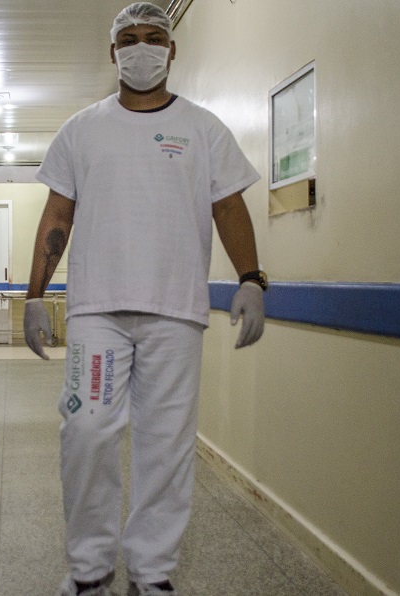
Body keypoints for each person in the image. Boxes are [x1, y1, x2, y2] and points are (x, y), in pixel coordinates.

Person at [23, 4, 267, 596]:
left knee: (166, 446)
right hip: (96, 311)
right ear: (113, 52)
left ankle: (152, 571)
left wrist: (252, 279)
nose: (141, 48)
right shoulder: (82, 129)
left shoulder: (203, 128)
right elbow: (58, 215)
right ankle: (90, 567)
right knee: (86, 433)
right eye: (129, 39)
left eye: (154, 37)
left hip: (175, 311)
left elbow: (229, 207)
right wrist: (34, 296)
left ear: (171, 49)